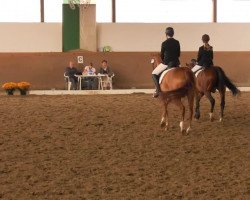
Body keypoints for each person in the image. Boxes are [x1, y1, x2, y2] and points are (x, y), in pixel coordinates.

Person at [152, 27, 181, 98]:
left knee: (154, 74)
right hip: (177, 63)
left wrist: (164, 59)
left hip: (167, 63)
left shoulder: (164, 43)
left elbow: (162, 55)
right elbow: (178, 54)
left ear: (166, 34)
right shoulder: (177, 42)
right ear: (173, 34)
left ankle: (158, 91)